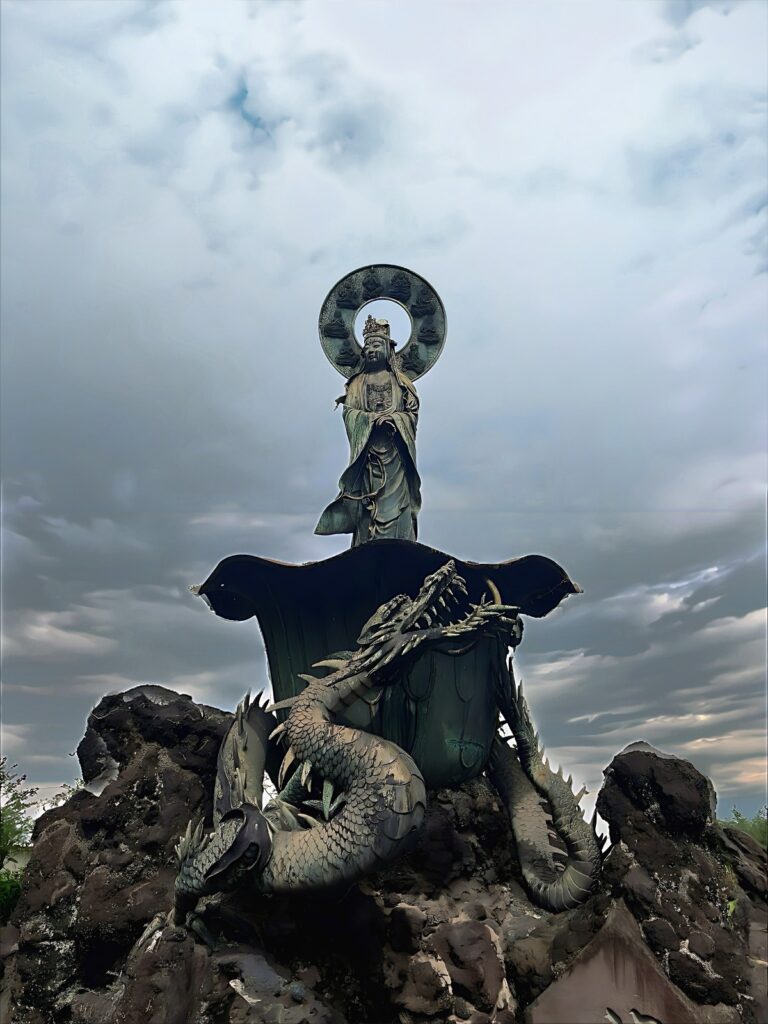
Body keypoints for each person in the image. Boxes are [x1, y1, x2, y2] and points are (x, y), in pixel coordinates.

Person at [316, 316, 421, 546]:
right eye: (367, 346)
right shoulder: (358, 383)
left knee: (399, 514)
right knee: (367, 511)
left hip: (396, 460)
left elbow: (412, 413)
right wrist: (372, 420)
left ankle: (404, 554)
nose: (371, 350)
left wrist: (395, 420)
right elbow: (349, 413)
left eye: (376, 345)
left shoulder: (401, 383)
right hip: (368, 460)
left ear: (388, 349)